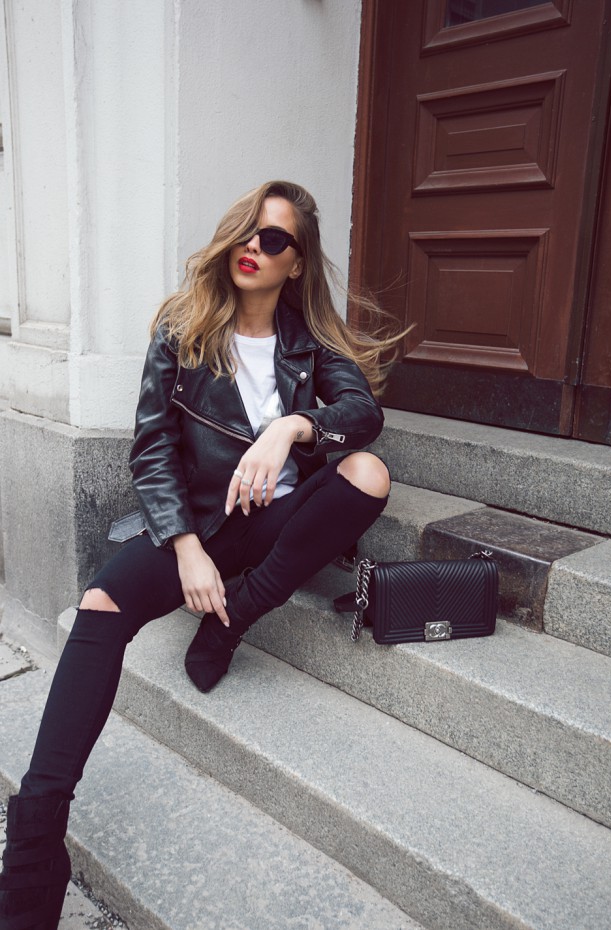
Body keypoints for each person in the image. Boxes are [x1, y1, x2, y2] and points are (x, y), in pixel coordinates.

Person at [0, 180, 396, 930]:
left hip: (280, 524)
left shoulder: (310, 345)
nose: (253, 246)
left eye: (274, 239)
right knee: (101, 602)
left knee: (370, 474)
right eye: (247, 230)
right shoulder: (182, 331)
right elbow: (152, 449)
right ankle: (36, 838)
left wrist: (291, 428)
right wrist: (186, 548)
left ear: (296, 263)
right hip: (205, 525)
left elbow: (362, 415)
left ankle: (234, 618)